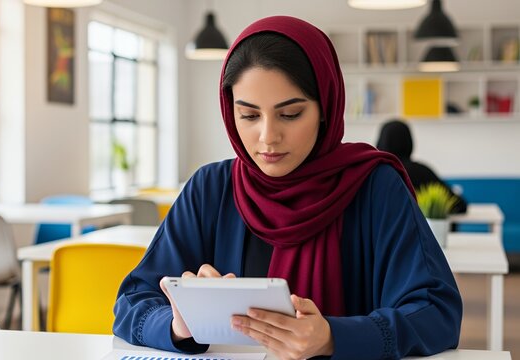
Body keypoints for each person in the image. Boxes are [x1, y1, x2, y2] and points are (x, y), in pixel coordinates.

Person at [113, 16, 462, 359]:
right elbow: (131, 303)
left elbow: (437, 313)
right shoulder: (210, 188)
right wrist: (177, 325)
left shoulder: (374, 187)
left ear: (325, 108)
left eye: (290, 114)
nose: (268, 137)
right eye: (249, 116)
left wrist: (334, 337)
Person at [376, 119, 468, 214]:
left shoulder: (373, 174)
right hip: (415, 229)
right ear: (409, 142)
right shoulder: (421, 172)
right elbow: (458, 204)